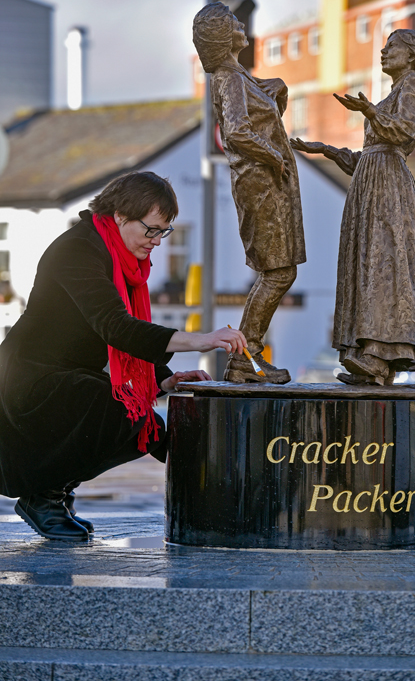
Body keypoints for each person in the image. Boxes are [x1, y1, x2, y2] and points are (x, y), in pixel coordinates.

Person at [0, 171, 246, 541]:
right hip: (29, 380)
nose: (158, 242)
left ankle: (215, 507)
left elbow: (126, 336)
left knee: (150, 430)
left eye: (165, 231)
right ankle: (44, 497)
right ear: (119, 215)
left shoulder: (122, 260)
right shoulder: (78, 250)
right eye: (152, 230)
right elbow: (116, 327)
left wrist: (165, 377)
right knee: (123, 416)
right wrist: (202, 340)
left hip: (67, 376)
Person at [292, 29, 415, 386]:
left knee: (385, 263)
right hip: (371, 181)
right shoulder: (394, 92)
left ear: (412, 55)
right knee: (368, 263)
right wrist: (325, 150)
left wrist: (367, 109)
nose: (384, 53)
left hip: (388, 187)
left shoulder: (414, 85)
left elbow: (403, 134)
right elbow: (367, 158)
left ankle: (381, 354)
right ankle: (367, 354)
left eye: (392, 47)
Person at [193, 2, 306, 384]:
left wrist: (279, 93)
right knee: (278, 272)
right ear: (224, 37)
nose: (242, 25)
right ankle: (246, 355)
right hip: (258, 183)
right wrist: (274, 156)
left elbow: (263, 119)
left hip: (269, 182)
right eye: (233, 22)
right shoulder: (228, 77)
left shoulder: (241, 76)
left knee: (278, 271)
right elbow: (237, 132)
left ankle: (248, 354)